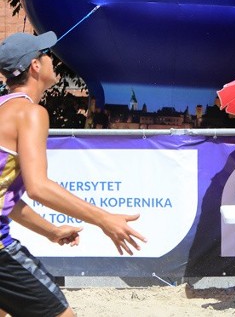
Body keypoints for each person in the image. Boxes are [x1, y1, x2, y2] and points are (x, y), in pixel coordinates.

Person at [0, 31, 146, 317]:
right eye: (46, 54)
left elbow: (8, 201)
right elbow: (38, 187)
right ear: (35, 66)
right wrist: (104, 219)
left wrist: (51, 231)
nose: (52, 59)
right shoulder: (30, 113)